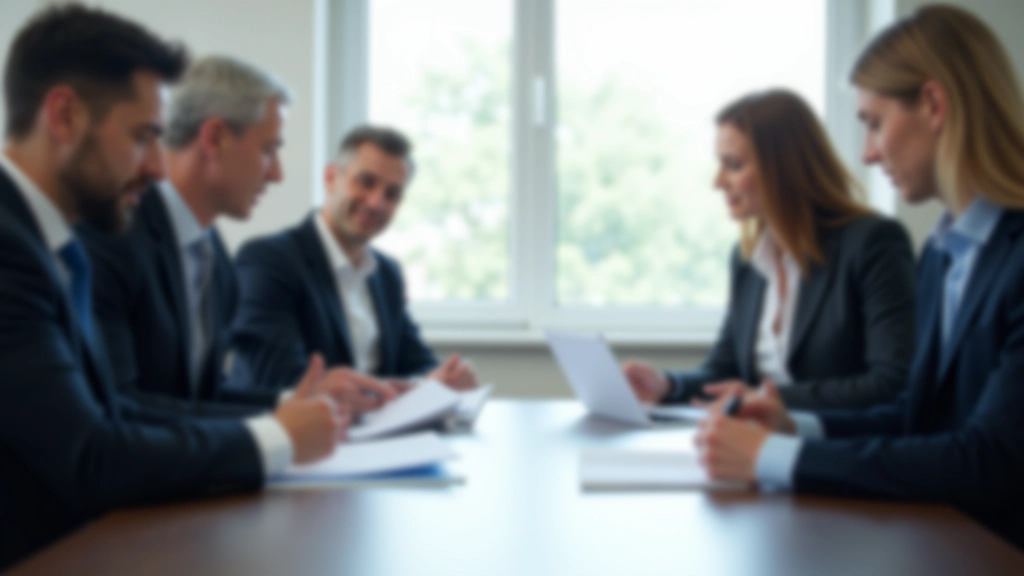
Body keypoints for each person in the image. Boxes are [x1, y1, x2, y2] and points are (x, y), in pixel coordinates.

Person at [0, 6, 345, 568]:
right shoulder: (12, 247)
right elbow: (91, 456)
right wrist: (275, 438)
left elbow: (109, 411)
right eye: (143, 137)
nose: (159, 168)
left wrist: (285, 414)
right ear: (64, 117)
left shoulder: (47, 243)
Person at [694, 4, 1024, 550]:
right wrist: (793, 426)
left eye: (874, 123)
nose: (868, 154)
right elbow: (914, 415)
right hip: (946, 541)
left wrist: (775, 457)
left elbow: (989, 458)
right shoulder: (942, 254)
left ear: (934, 105)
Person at [78, 56, 394, 415]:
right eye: (268, 150)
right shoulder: (113, 233)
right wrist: (277, 430)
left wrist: (297, 403)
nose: (277, 174)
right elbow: (119, 408)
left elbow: (202, 399)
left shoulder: (215, 258)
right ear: (215, 138)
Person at [623, 89, 916, 410]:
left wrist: (766, 400)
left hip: (835, 440)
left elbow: (891, 382)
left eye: (733, 165)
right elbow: (724, 370)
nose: (718, 182)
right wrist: (668, 384)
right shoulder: (747, 260)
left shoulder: (872, 244)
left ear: (784, 167)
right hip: (757, 440)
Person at [227, 126, 478, 394]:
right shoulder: (268, 261)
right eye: (366, 182)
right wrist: (400, 391)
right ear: (330, 177)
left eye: (392, 194)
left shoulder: (387, 273)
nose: (376, 202)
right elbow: (280, 379)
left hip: (377, 420)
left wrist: (445, 379)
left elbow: (416, 362)